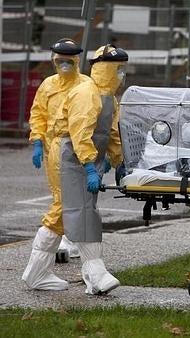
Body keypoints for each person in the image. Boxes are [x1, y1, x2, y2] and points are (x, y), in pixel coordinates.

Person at [23, 44, 128, 295]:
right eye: (118, 69)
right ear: (106, 69)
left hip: (83, 157)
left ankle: (36, 273)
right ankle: (96, 274)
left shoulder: (108, 97)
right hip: (70, 155)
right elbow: (79, 134)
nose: (122, 75)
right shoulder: (86, 93)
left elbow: (111, 134)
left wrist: (119, 162)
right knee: (79, 208)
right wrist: (89, 166)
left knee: (67, 209)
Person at [23, 38, 90, 290]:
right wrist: (38, 140)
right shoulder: (48, 85)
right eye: (60, 59)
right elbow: (38, 113)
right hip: (54, 151)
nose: (64, 64)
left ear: (76, 60)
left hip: (76, 150)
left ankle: (52, 264)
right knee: (63, 201)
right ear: (54, 60)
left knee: (70, 202)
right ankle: (38, 272)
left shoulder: (85, 85)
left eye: (69, 60)